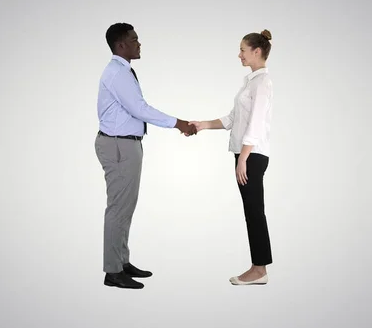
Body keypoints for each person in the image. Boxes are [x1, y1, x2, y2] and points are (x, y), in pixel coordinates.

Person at [95, 22, 197, 289]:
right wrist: (179, 123)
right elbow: (140, 109)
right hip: (119, 146)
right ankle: (112, 271)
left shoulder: (122, 71)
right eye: (134, 39)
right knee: (118, 208)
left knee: (125, 207)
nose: (139, 43)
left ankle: (122, 263)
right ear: (121, 45)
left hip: (125, 144)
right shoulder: (117, 74)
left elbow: (136, 110)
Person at [188, 29, 274, 285]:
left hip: (253, 156)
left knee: (254, 212)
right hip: (246, 154)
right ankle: (259, 268)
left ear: (256, 51)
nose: (239, 55)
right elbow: (233, 119)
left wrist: (243, 158)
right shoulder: (250, 82)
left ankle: (259, 270)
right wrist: (203, 124)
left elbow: (256, 124)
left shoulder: (263, 83)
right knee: (252, 210)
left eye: (242, 50)